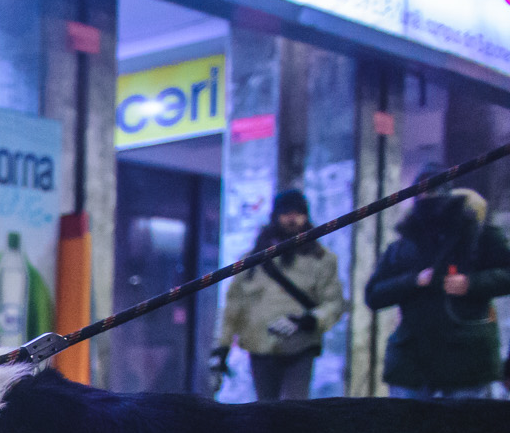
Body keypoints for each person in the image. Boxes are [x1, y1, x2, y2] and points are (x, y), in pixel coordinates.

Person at [366, 163, 510, 399]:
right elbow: (374, 295)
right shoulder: (402, 246)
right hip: (413, 363)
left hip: (466, 361)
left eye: (433, 192)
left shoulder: (479, 236)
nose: (428, 199)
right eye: (422, 194)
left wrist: (471, 283)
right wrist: (413, 281)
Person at [209, 189, 344, 401]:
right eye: (286, 213)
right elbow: (233, 307)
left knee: (296, 411)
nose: (292, 219)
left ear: (306, 216)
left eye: (298, 213)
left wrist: (311, 320)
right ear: (276, 216)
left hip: (301, 346)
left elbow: (334, 303)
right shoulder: (253, 260)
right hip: (260, 347)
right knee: (265, 413)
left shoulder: (321, 260)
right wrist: (221, 348)